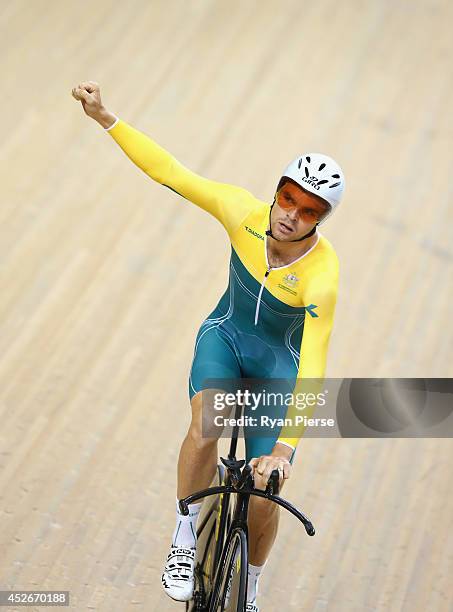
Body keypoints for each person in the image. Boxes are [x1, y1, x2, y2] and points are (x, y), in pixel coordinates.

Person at [72, 81, 344, 612]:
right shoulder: (241, 211)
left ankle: (253, 585)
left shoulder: (323, 276)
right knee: (205, 427)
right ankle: (183, 532)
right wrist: (107, 117)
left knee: (267, 493)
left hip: (278, 369)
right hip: (225, 337)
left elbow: (313, 365)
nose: (290, 213)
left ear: (320, 220)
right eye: (287, 197)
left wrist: (285, 453)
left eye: (307, 210)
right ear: (276, 191)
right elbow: (171, 172)